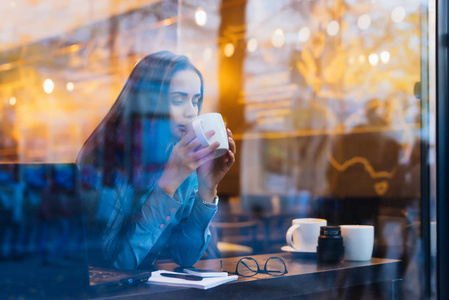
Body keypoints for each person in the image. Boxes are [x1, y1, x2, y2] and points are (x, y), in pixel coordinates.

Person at [76, 51, 236, 270]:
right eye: (178, 100)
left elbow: (185, 256)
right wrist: (169, 182)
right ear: (149, 103)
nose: (191, 111)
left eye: (196, 100)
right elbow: (117, 262)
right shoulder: (107, 159)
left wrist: (207, 188)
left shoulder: (181, 158)